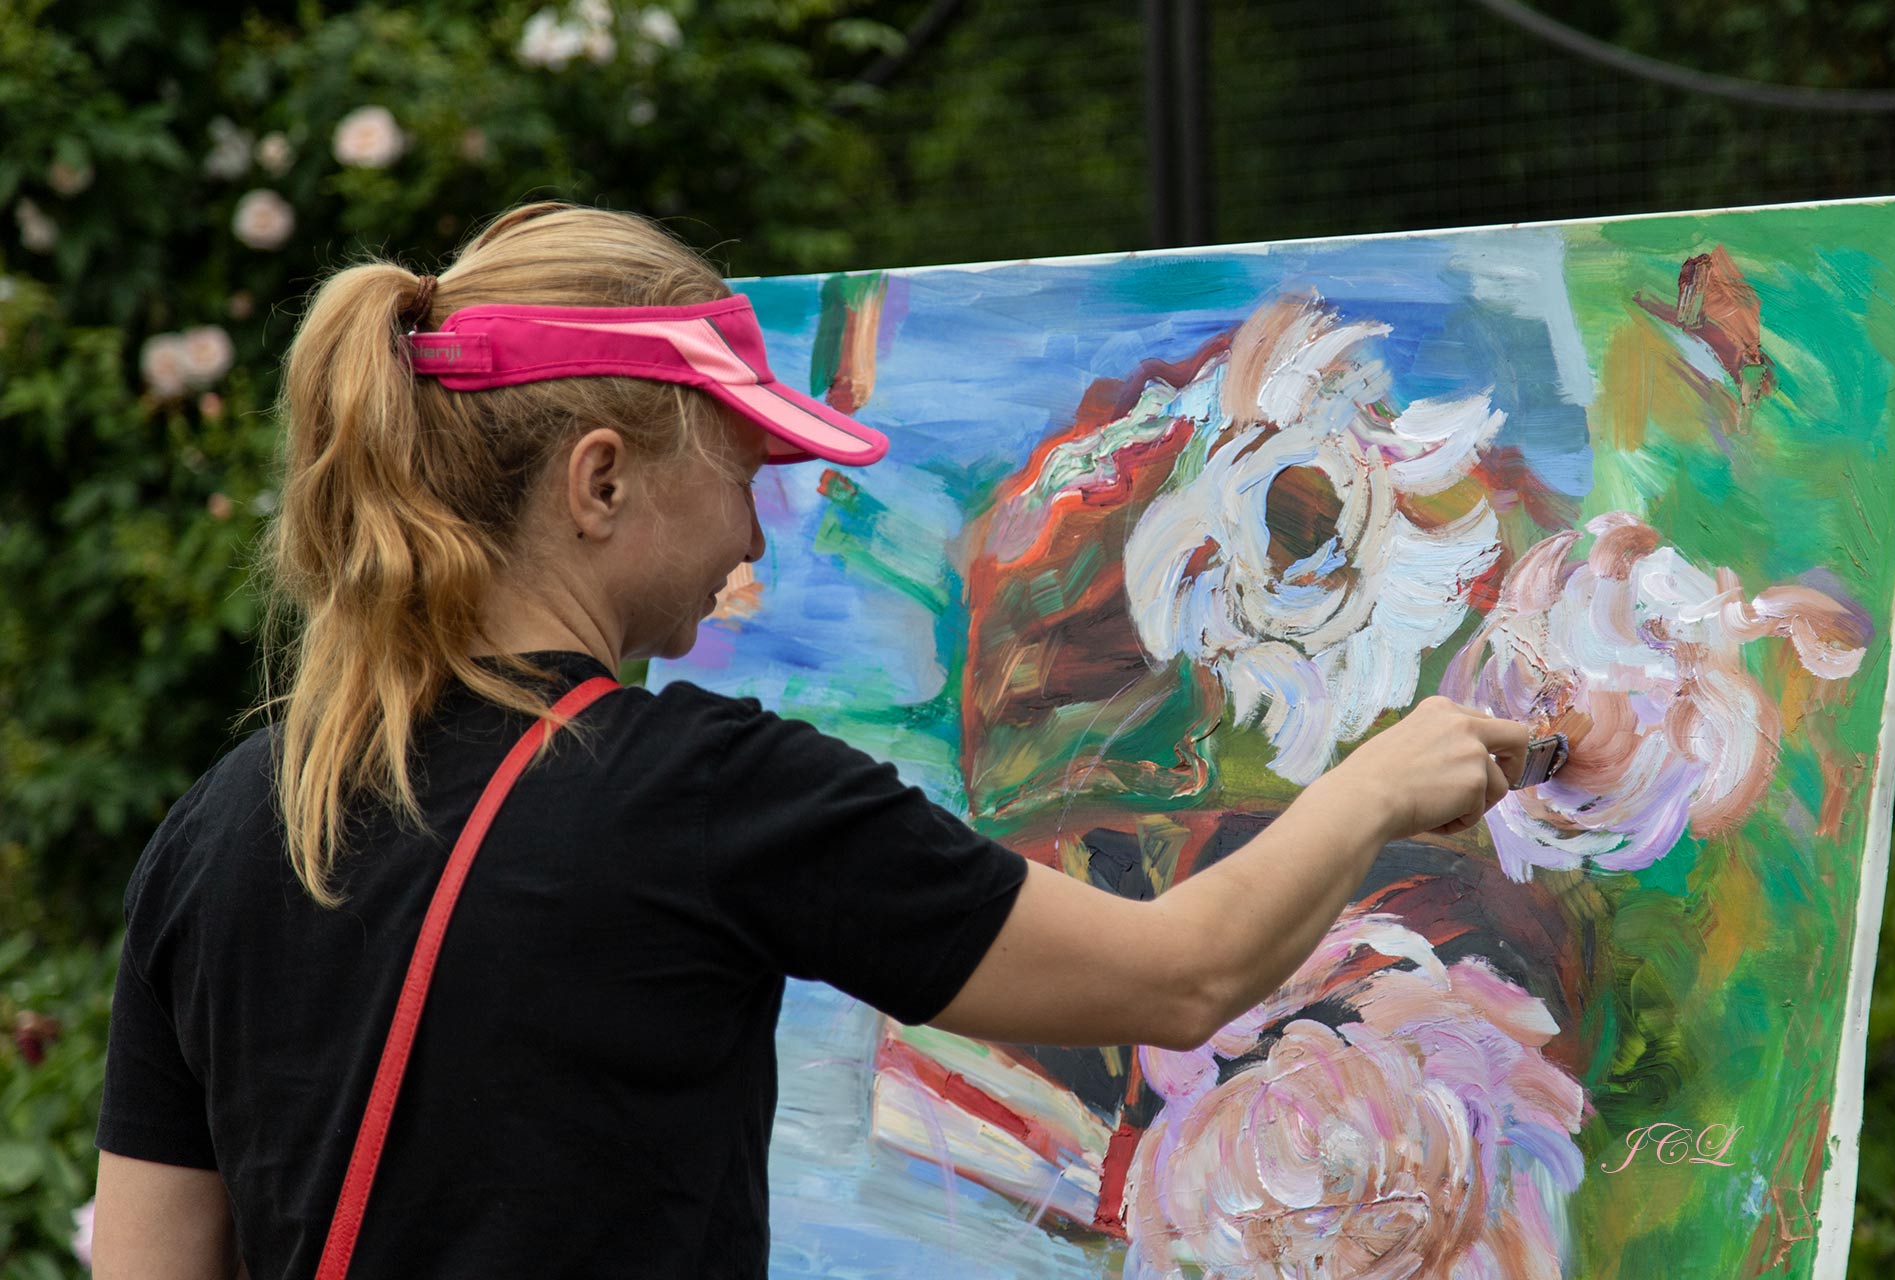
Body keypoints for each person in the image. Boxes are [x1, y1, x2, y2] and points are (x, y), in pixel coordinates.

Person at [89, 202, 1531, 1279]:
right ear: (599, 483)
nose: (753, 528)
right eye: (742, 470)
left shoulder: (219, 831)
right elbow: (1179, 975)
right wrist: (1380, 786)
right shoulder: (705, 794)